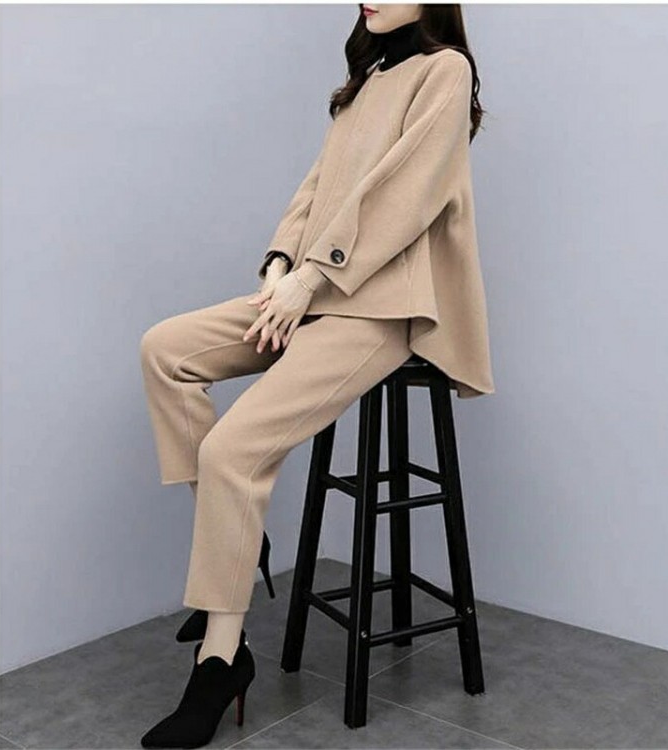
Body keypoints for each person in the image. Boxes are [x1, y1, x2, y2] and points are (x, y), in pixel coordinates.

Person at [138, 4, 495, 747]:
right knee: (165, 349)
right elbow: (316, 188)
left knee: (232, 451)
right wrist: (278, 266)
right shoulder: (371, 78)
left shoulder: (445, 71)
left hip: (381, 310)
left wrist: (310, 280)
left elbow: (404, 199)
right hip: (311, 291)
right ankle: (239, 544)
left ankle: (221, 660)